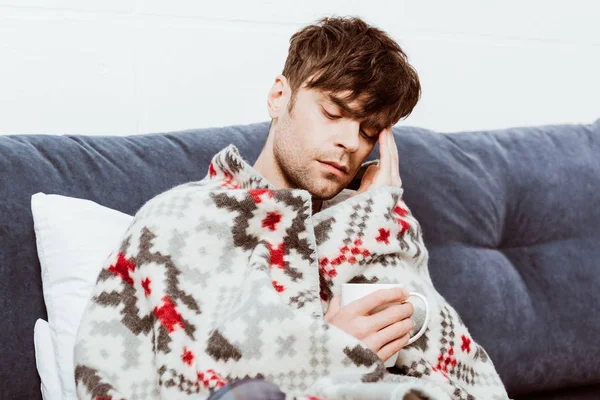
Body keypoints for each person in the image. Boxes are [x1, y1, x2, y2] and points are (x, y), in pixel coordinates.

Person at [74, 16, 508, 400]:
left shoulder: (370, 219)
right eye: (334, 112)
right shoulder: (182, 220)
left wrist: (374, 217)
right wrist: (328, 351)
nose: (351, 142)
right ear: (279, 97)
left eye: (369, 130)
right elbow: (161, 380)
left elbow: (458, 372)